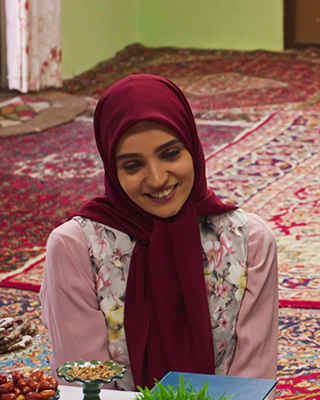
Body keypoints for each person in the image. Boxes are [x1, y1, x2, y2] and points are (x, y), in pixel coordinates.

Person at [40, 74, 279, 391]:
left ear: (192, 147)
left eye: (170, 154)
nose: (156, 179)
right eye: (132, 166)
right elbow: (86, 388)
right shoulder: (76, 248)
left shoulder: (249, 241)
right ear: (111, 168)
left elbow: (252, 382)